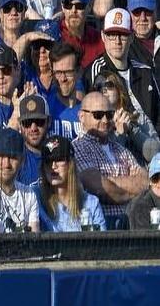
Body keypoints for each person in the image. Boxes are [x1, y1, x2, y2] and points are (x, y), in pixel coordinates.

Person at [74, 90, 150, 228]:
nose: (105, 120)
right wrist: (130, 186)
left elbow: (145, 182)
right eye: (98, 115)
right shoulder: (77, 147)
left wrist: (111, 182)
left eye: (109, 115)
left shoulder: (119, 149)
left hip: (131, 225)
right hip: (102, 228)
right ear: (81, 116)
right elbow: (99, 188)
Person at [35, 134, 105, 231]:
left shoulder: (91, 203)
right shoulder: (34, 197)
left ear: (70, 164)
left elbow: (102, 243)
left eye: (59, 159)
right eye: (48, 161)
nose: (53, 166)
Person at [127, 151, 160, 229]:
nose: (158, 183)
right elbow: (145, 240)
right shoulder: (140, 207)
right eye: (156, 179)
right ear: (151, 181)